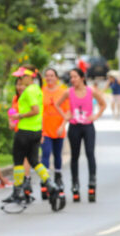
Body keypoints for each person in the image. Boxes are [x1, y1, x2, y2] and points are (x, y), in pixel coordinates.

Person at [3, 65, 65, 210]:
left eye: (21, 77)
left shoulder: (29, 91)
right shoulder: (37, 90)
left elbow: (35, 110)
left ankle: (17, 192)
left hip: (25, 131)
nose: (19, 79)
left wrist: (19, 116)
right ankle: (51, 184)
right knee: (34, 161)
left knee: (18, 162)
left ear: (29, 77)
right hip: (36, 131)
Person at [55, 68, 107, 203]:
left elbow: (103, 104)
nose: (72, 80)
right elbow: (57, 104)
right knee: (75, 156)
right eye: (71, 77)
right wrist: (65, 116)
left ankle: (92, 180)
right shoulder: (69, 92)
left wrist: (95, 116)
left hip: (88, 126)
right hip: (74, 127)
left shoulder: (91, 91)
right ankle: (75, 183)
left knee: (90, 153)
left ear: (82, 78)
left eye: (75, 77)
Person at [40, 68, 69, 200]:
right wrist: (39, 130)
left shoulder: (62, 92)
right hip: (45, 129)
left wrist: (62, 126)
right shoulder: (41, 92)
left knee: (57, 154)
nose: (49, 78)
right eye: (47, 76)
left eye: (52, 75)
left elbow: (67, 111)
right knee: (45, 154)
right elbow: (39, 111)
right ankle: (45, 181)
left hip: (58, 128)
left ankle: (58, 177)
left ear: (56, 77)